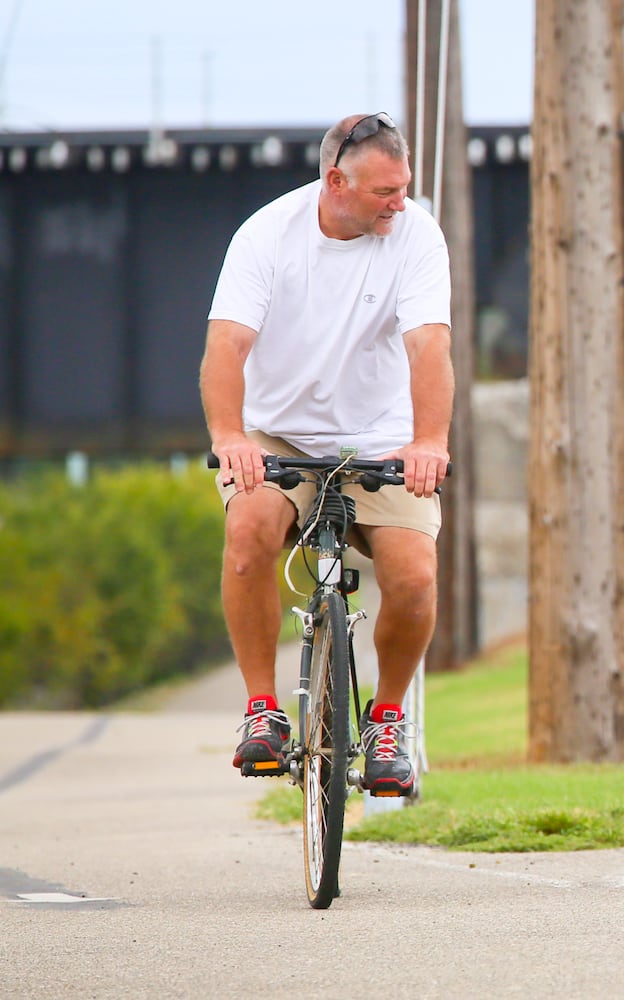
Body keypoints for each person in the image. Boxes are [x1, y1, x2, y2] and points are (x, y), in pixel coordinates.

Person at [200, 112, 454, 796]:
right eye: (384, 192)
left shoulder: (416, 233)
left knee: (415, 579)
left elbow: (429, 344)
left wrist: (429, 440)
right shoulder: (266, 235)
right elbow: (226, 346)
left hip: (382, 435)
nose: (399, 202)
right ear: (336, 180)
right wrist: (230, 437)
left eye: (404, 187)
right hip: (277, 433)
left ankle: (389, 719)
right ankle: (262, 710)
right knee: (249, 532)